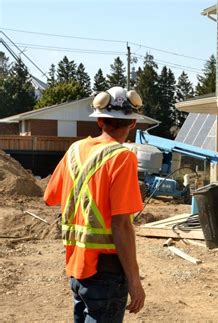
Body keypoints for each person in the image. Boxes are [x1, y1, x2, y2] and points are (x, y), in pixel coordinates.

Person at [44, 86, 146, 322]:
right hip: (106, 272)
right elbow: (121, 225)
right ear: (132, 123)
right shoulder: (122, 157)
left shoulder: (74, 150)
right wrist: (134, 281)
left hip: (77, 268)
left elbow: (50, 197)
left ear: (100, 121)